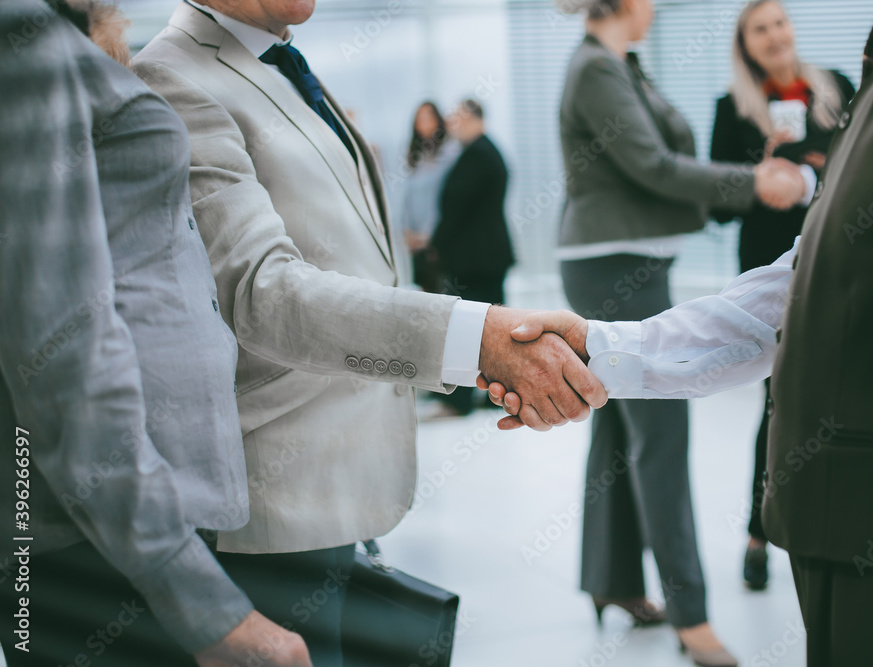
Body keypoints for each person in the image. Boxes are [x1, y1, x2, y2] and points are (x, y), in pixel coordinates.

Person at [487, 0, 873, 664]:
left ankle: (673, 606)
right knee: (643, 445)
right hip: (840, 529)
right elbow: (805, 273)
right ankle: (634, 588)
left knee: (643, 448)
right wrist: (605, 348)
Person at [133, 2, 607, 662]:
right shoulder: (172, 76)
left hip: (339, 480)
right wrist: (476, 341)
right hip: (274, 497)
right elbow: (262, 292)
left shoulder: (276, 55)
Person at [0, 1, 307, 664]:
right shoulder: (21, 37)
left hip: (116, 522)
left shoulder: (52, 37)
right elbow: (59, 346)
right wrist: (204, 607)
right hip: (94, 535)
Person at [550, 0, 808, 664]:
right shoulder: (597, 70)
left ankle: (613, 582)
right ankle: (693, 620)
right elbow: (655, 167)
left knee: (617, 424)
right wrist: (753, 181)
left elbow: (665, 160)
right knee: (660, 437)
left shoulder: (619, 68)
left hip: (626, 258)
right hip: (617, 265)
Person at [709, 0, 855, 591]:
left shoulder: (836, 88)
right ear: (746, 44)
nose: (774, 35)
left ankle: (843, 529)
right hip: (773, 272)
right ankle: (758, 533)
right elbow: (717, 205)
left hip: (840, 258)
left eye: (780, 22)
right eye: (759, 29)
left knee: (845, 397)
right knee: (779, 405)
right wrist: (759, 169)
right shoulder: (733, 109)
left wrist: (822, 162)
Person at [430, 99, 515, 417]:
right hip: (483, 256)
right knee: (486, 331)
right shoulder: (483, 151)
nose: (453, 126)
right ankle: (492, 395)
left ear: (474, 118)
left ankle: (460, 400)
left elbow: (457, 205)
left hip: (477, 259)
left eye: (458, 119)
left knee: (467, 330)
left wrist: (435, 243)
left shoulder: (479, 154)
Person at [399, 101, 458, 294]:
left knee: (444, 295)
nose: (424, 123)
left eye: (428, 117)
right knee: (425, 293)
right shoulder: (416, 156)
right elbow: (407, 197)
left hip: (436, 239)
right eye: (419, 119)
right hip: (416, 242)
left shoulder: (449, 153)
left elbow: (446, 198)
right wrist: (407, 231)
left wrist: (429, 235)